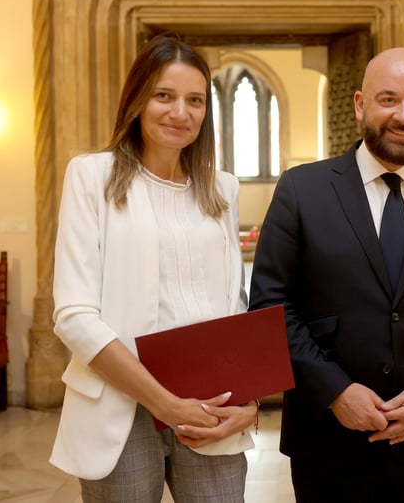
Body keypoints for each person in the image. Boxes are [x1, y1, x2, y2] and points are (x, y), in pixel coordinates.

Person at [248, 47, 404, 503]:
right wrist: (335, 390)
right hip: (326, 439)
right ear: (361, 104)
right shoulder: (301, 190)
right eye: (389, 99)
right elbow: (270, 306)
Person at [50, 33, 258, 502]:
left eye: (195, 100)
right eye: (164, 96)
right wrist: (162, 401)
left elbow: (233, 307)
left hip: (211, 405)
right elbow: (74, 315)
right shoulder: (92, 176)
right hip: (118, 403)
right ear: (138, 99)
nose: (180, 113)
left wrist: (248, 401)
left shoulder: (221, 189)